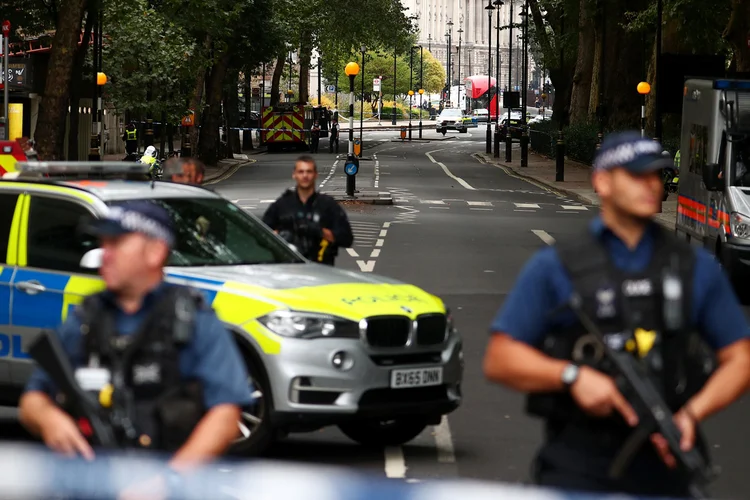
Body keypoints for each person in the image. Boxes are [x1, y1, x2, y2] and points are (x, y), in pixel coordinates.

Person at [483, 131, 750, 497]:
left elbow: (740, 359)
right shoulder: (556, 266)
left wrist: (691, 414)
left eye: (657, 176)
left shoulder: (694, 267)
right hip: (577, 465)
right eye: (636, 175)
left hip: (666, 463)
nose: (651, 185)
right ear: (602, 181)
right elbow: (501, 358)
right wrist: (572, 376)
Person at [18, 200, 254, 496]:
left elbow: (226, 416)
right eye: (103, 243)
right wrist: (49, 419)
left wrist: (167, 482)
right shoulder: (87, 318)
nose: (106, 254)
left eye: (117, 243)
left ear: (155, 252)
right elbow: (32, 401)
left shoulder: (192, 320)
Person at [262, 155, 353, 265]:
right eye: (301, 172)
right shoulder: (282, 205)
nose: (305, 176)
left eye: (309, 171)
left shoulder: (327, 205)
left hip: (321, 268)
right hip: (289, 270)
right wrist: (283, 233)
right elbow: (262, 236)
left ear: (315, 175)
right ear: (294, 174)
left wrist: (320, 231)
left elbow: (346, 238)